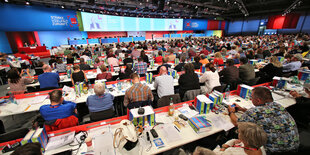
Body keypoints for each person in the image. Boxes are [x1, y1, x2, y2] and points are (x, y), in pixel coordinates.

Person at [228, 87, 299, 153]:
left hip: (271, 151)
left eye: (251, 97)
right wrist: (243, 109)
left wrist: (231, 111)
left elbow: (237, 123)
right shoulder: (278, 106)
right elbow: (262, 113)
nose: (251, 99)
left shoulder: (254, 112)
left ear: (258, 100)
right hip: (293, 148)